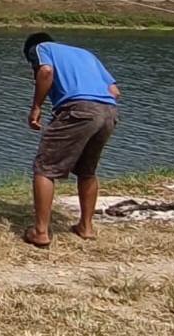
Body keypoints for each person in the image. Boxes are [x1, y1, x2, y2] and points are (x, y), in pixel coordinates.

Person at [22, 32, 121, 247]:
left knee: (45, 168)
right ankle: (86, 227)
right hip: (109, 111)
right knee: (87, 171)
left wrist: (36, 107)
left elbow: (46, 71)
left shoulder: (40, 48)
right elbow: (114, 91)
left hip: (79, 109)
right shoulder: (85, 54)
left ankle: (40, 232)